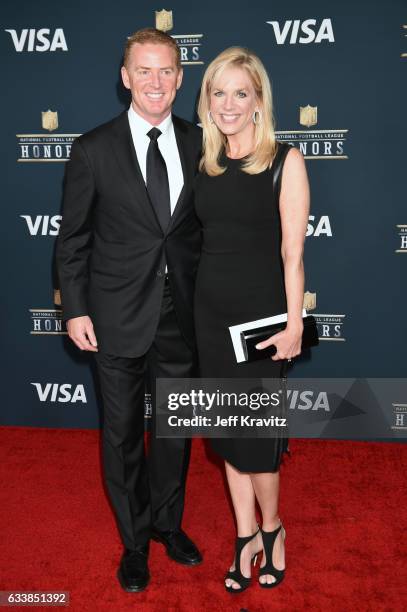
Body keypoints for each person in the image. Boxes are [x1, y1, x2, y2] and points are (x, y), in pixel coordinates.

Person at [56, 28, 202, 593]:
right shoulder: (92, 148)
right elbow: (72, 239)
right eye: (144, 70)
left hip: (182, 313)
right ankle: (135, 542)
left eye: (166, 70)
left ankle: (169, 525)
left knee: (175, 430)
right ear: (125, 78)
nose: (155, 82)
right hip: (115, 313)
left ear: (181, 77)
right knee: (120, 436)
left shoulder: (199, 143)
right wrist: (75, 309)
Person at [194, 47, 310, 592]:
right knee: (227, 439)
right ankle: (245, 538)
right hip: (210, 319)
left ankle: (273, 528)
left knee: (258, 443)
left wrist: (293, 324)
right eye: (219, 92)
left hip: (261, 327)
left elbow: (293, 254)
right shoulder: (203, 162)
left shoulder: (286, 161)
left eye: (241, 92)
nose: (229, 103)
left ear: (259, 100)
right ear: (207, 101)